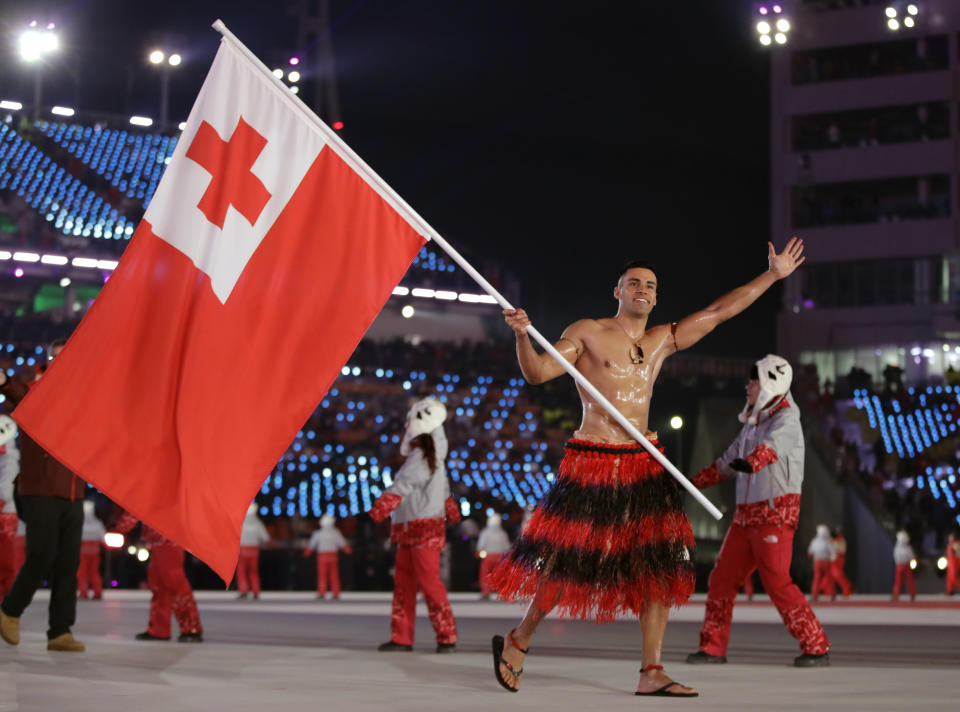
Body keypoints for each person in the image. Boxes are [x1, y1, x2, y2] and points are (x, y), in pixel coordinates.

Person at [489, 238, 806, 695]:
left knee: (658, 566)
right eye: (633, 283)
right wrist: (522, 334)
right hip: (593, 461)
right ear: (616, 291)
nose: (642, 289)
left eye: (650, 286)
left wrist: (773, 276)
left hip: (643, 463)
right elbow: (537, 374)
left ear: (656, 297)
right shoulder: (588, 331)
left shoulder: (662, 339)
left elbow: (720, 312)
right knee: (567, 564)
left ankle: (651, 671)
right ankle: (519, 640)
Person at [686, 354, 831, 668]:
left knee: (777, 582)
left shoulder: (787, 418)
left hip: (775, 514)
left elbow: (773, 447)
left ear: (771, 382)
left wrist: (751, 463)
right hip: (746, 516)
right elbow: (728, 460)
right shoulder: (755, 422)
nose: (748, 385)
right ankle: (712, 647)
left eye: (754, 379)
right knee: (722, 579)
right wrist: (695, 481)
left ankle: (816, 644)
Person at [0, 340, 87, 652]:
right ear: (48, 362)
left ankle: (60, 631)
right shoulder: (37, 393)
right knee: (41, 556)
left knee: (68, 564)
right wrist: (4, 381)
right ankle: (10, 610)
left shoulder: (84, 399)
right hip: (40, 491)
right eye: (57, 358)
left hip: (74, 492)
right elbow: (16, 393)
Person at [368, 397, 460, 653]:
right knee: (407, 583)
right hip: (413, 527)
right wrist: (450, 510)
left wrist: (379, 509)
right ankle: (405, 636)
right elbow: (442, 490)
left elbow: (405, 484)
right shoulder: (431, 459)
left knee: (426, 583)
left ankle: (444, 635)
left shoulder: (421, 458)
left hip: (420, 527)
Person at [117, 512, 204, 642]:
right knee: (158, 583)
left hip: (168, 534)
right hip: (159, 534)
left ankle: (191, 626)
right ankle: (159, 628)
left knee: (174, 580)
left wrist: (122, 526)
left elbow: (142, 503)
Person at [304, 514, 352, 600]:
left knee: (322, 575)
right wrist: (348, 550)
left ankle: (322, 592)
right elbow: (343, 544)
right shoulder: (336, 532)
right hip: (333, 556)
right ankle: (336, 593)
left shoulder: (318, 533)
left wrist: (307, 552)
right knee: (334, 575)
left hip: (322, 557)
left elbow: (312, 544)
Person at [0, 418, 20, 600]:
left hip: (5, 513)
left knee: (6, 559)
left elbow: (7, 485)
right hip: (7, 511)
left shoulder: (9, 457)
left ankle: (8, 600)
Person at [236, 502, 270, 600]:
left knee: (241, 571)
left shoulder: (241, 522)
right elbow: (265, 538)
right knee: (253, 571)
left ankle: (243, 590)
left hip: (242, 550)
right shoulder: (258, 523)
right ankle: (256, 591)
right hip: (254, 550)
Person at [476, 513, 511, 600]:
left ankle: (486, 592)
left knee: (485, 574)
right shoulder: (503, 534)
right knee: (500, 575)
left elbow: (480, 545)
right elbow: (506, 547)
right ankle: (501, 592)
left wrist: (479, 551)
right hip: (499, 557)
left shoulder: (485, 533)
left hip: (489, 556)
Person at [77, 500, 105, 600]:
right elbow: (103, 537)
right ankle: (98, 592)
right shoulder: (98, 524)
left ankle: (83, 593)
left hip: (82, 551)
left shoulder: (79, 523)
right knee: (94, 572)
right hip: (94, 551)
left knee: (82, 572)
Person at [808, 524, 835, 601]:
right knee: (829, 578)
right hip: (826, 562)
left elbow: (810, 553)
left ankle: (814, 595)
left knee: (816, 578)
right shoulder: (828, 541)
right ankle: (832, 595)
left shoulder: (814, 541)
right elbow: (833, 551)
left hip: (817, 562)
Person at [892, 530, 916, 602]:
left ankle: (896, 595)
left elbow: (895, 556)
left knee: (899, 581)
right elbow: (911, 556)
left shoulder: (897, 548)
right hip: (905, 565)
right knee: (907, 581)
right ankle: (911, 595)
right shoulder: (907, 548)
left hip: (901, 565)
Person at [830, 527, 853, 597]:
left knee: (838, 576)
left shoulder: (840, 540)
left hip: (838, 559)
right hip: (833, 559)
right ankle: (829, 592)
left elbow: (842, 550)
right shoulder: (832, 540)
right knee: (831, 576)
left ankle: (847, 589)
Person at [946, 532, 959, 596]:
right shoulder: (950, 544)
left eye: (951, 537)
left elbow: (958, 553)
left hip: (954, 563)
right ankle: (950, 591)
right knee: (949, 578)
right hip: (950, 563)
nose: (950, 538)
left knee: (953, 578)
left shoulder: (956, 543)